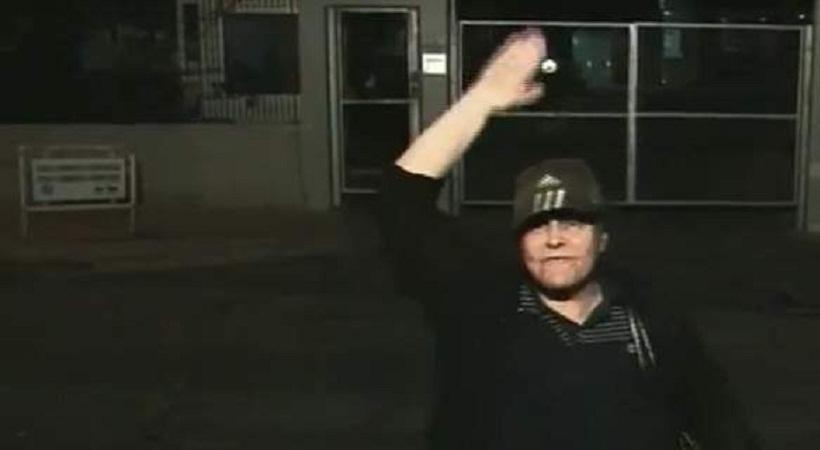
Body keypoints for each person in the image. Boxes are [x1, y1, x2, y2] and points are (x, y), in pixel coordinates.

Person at [378, 29, 760, 449]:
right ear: (518, 241)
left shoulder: (650, 320)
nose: (555, 239)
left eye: (573, 224)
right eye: (538, 225)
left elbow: (719, 422)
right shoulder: (477, 307)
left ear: (603, 239)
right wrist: (481, 100)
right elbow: (400, 201)